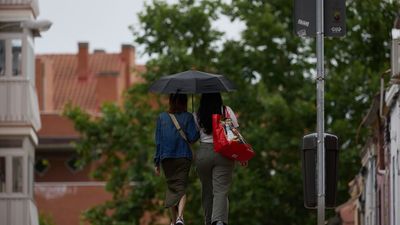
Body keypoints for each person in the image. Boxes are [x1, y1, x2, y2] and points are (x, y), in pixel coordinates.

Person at [194, 93, 247, 225]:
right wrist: (242, 154)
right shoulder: (225, 111)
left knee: (207, 190)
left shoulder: (198, 114)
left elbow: (193, 136)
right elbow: (235, 133)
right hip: (224, 152)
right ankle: (218, 221)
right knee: (220, 190)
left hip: (204, 153)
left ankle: (208, 221)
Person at [154, 93, 199, 225]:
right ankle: (180, 218)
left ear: (171, 101)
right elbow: (192, 138)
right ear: (184, 102)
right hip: (183, 156)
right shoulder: (188, 116)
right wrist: (195, 123)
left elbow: (158, 141)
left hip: (166, 157)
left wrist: (156, 162)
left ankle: (174, 222)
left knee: (172, 187)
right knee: (181, 186)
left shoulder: (162, 117)